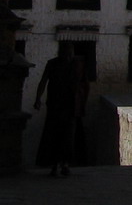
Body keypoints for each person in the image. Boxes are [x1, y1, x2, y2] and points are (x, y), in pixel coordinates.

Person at [34, 43, 89, 177]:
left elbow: (85, 85)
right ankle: (54, 164)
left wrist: (81, 102)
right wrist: (38, 98)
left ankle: (65, 164)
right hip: (56, 106)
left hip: (71, 107)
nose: (68, 56)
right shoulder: (52, 64)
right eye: (66, 53)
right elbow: (43, 81)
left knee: (69, 137)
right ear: (60, 53)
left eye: (70, 53)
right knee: (54, 135)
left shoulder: (78, 65)